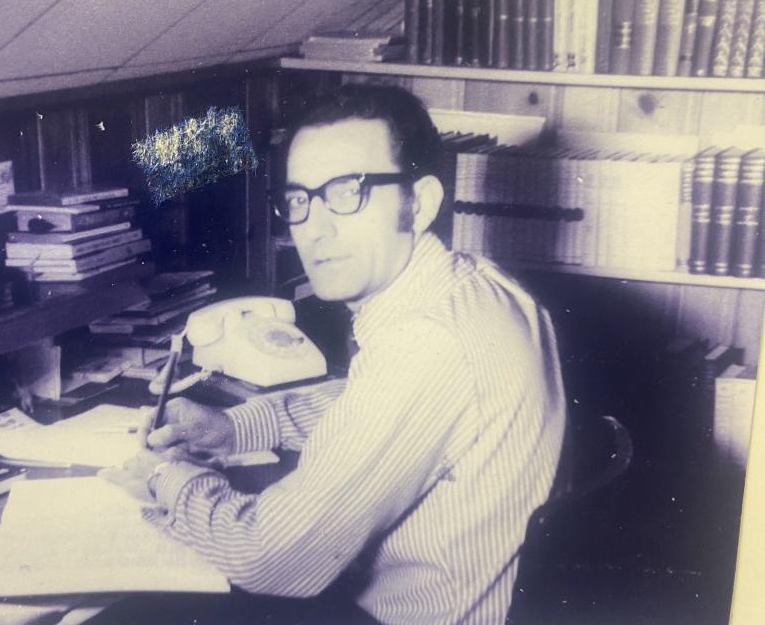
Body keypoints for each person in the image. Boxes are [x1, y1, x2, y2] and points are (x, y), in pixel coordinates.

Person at [102, 84, 566, 625]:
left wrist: (165, 478)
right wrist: (235, 428)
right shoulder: (478, 287)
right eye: (300, 199)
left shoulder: (426, 342)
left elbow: (267, 558)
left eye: (350, 192)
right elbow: (367, 403)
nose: (316, 230)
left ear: (422, 203)